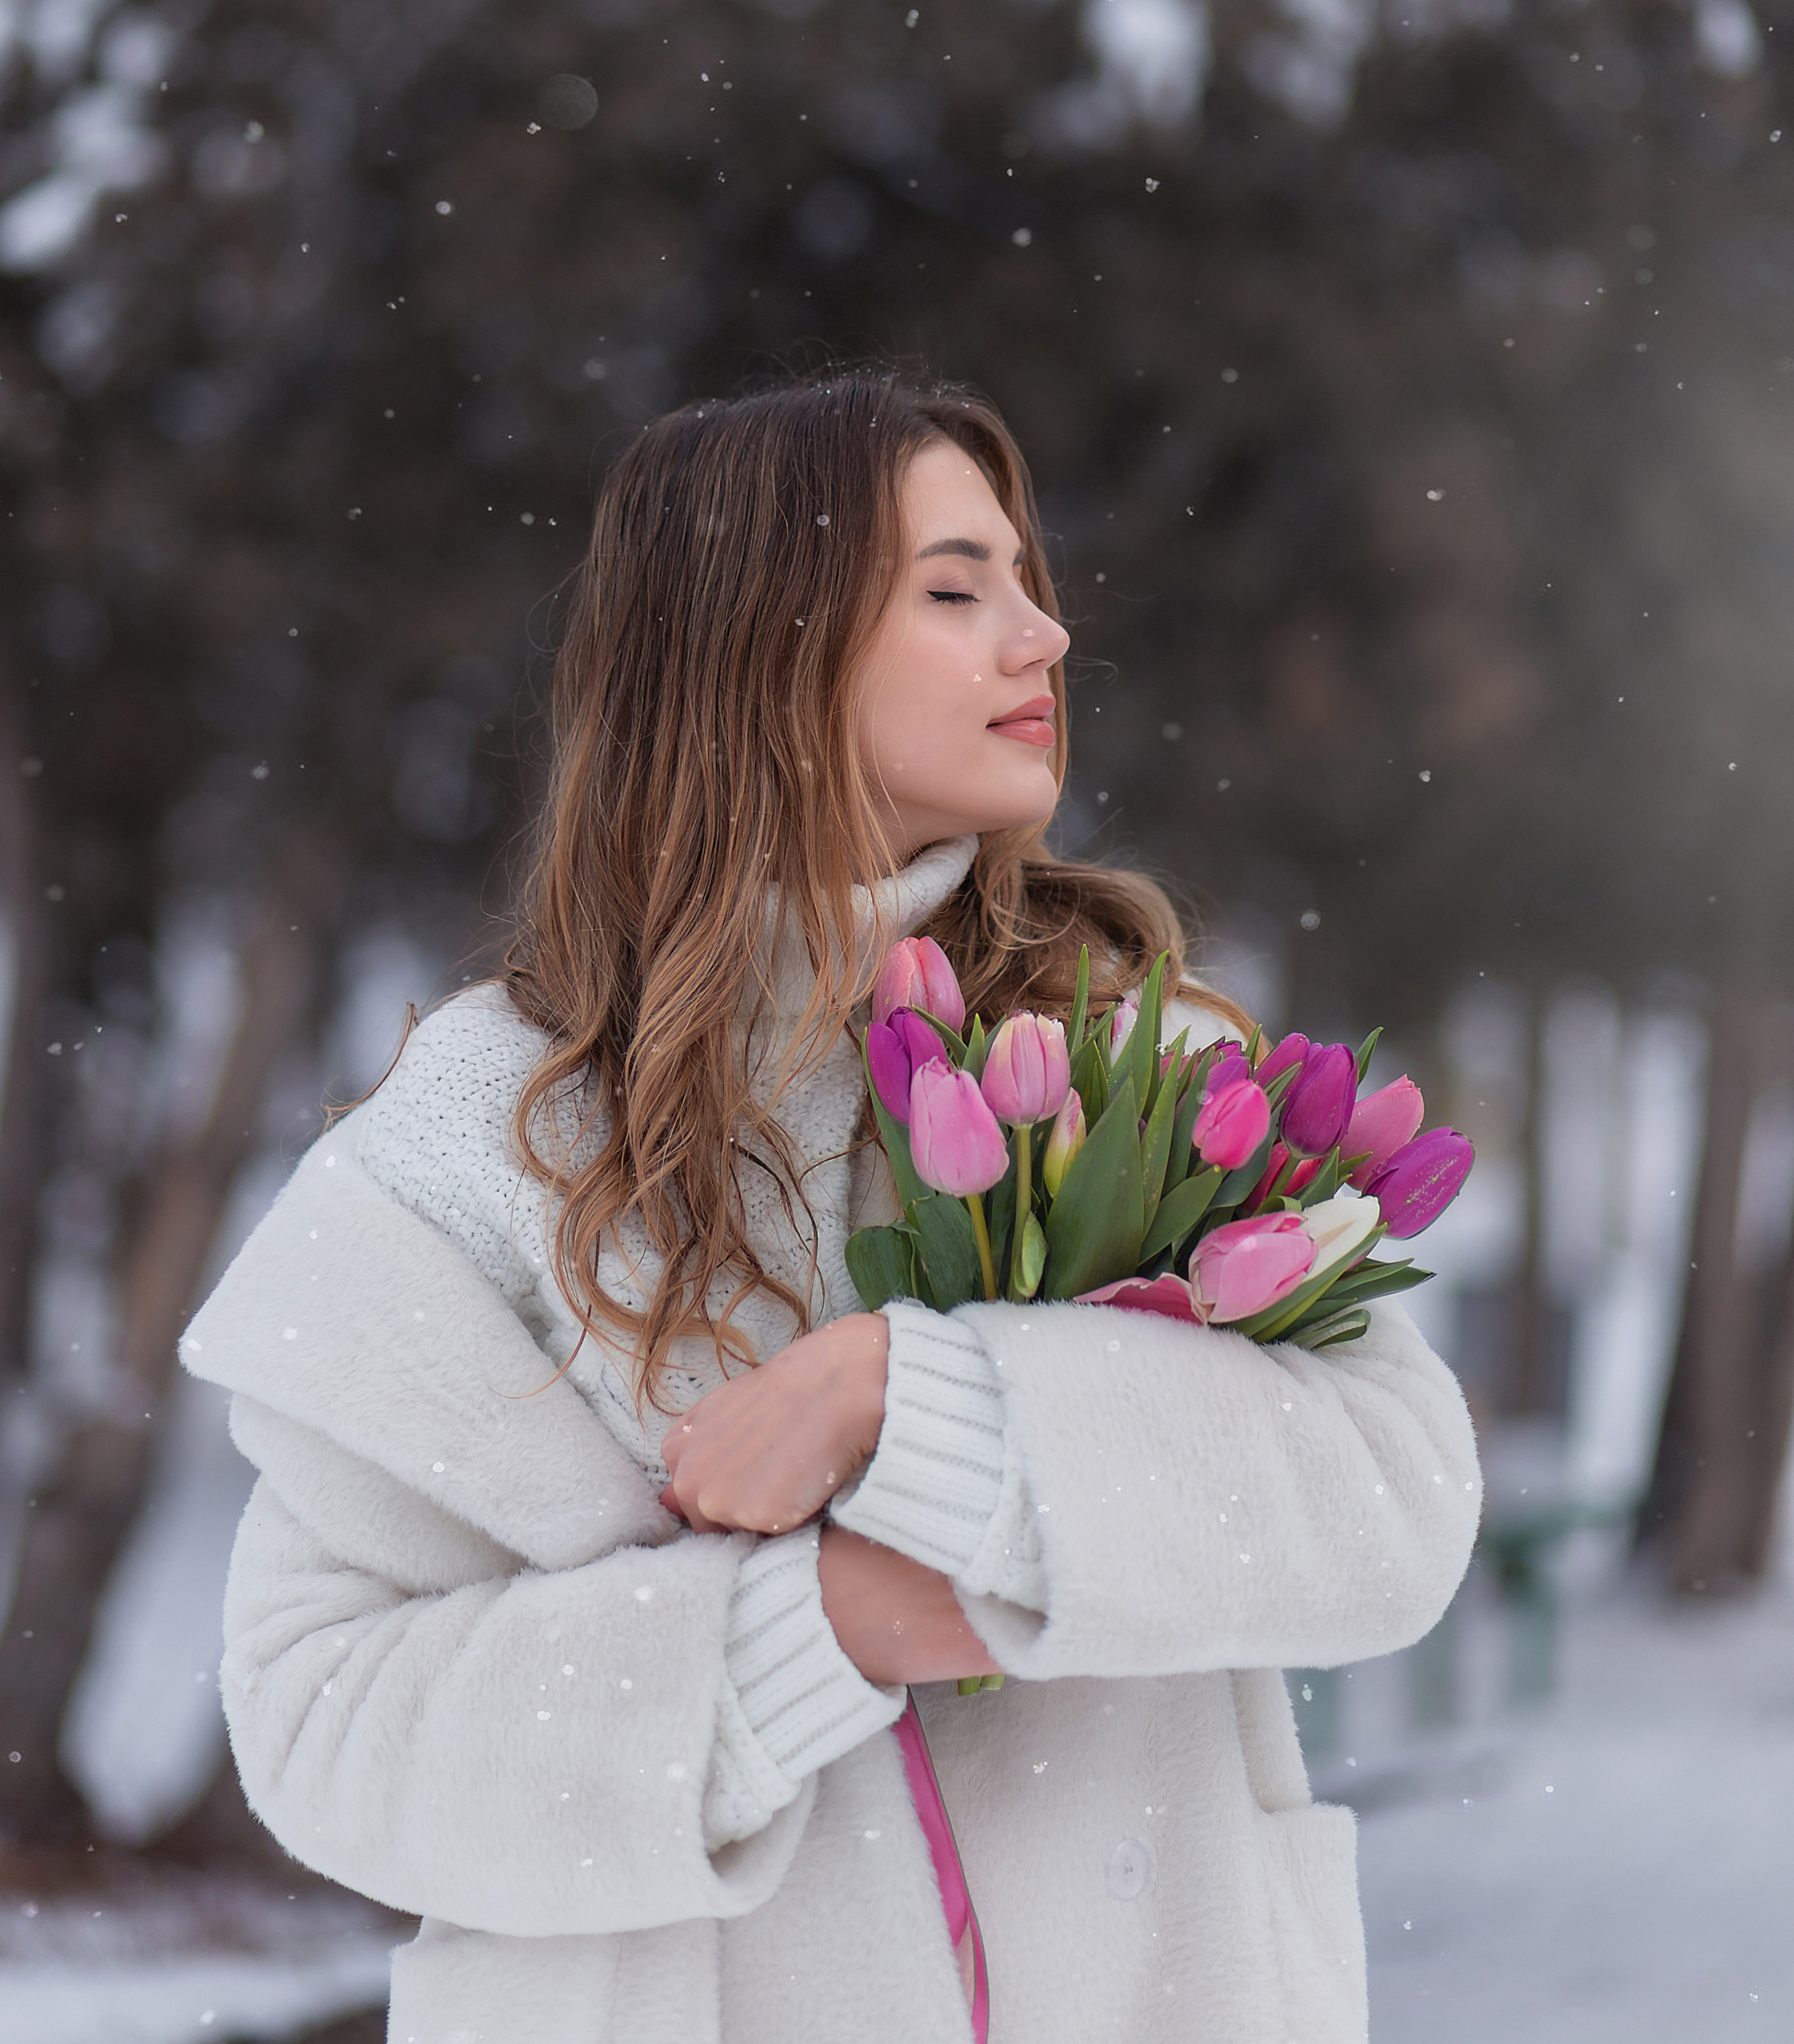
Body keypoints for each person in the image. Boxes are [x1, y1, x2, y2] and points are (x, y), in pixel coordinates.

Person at [181, 369, 1481, 2044]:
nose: (1040, 639)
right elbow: (327, 1727)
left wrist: (918, 1398)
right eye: (956, 591)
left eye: (1027, 583)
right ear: (757, 653)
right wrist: (816, 1630)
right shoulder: (483, 1142)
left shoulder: (1136, 1067)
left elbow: (1391, 1506)